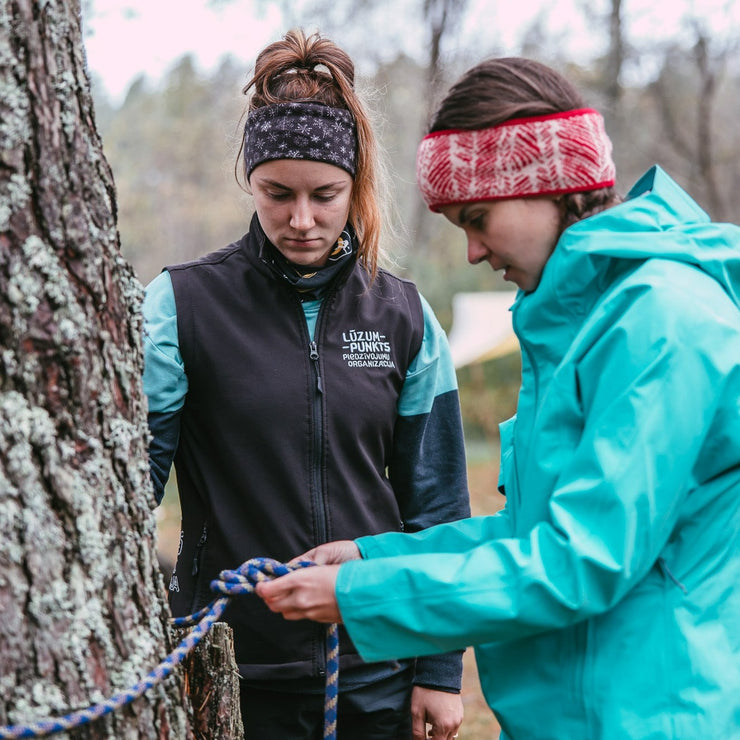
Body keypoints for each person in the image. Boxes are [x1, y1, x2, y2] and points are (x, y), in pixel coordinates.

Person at [256, 56, 740, 739]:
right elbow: (536, 533)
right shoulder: (589, 322)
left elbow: (580, 563)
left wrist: (363, 596)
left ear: (555, 187)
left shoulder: (663, 321)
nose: (474, 252)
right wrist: (378, 557)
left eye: (477, 218)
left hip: (656, 715)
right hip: (580, 713)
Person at [141, 28, 470, 740]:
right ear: (249, 183)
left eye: (325, 195)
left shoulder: (405, 317)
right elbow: (130, 491)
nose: (301, 219)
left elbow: (438, 504)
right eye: (276, 194)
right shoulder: (180, 307)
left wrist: (440, 672)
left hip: (373, 666)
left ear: (356, 185)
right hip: (223, 665)